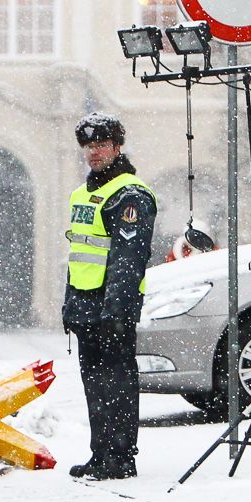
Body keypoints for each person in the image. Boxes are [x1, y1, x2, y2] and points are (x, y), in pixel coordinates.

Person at [62, 112, 157, 480]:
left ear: (117, 147)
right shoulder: (82, 194)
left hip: (112, 306)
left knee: (117, 382)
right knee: (95, 384)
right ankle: (100, 453)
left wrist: (116, 309)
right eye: (88, 145)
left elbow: (128, 259)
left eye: (101, 144)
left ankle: (120, 457)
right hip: (87, 305)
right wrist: (71, 306)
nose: (94, 152)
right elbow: (79, 255)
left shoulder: (129, 194)